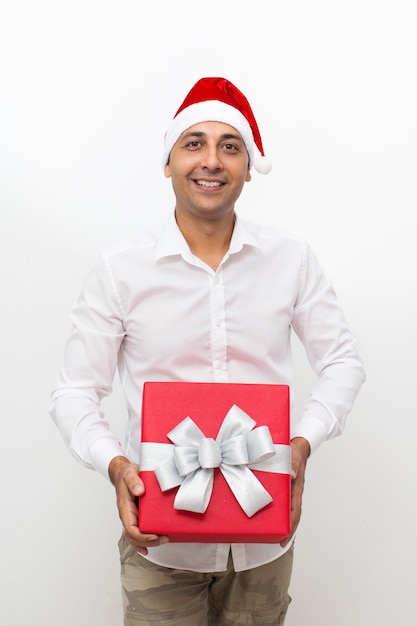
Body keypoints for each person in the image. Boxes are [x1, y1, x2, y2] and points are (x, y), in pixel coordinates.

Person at [50, 76, 365, 625]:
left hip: (265, 540)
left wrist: (302, 444)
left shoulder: (291, 260)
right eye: (193, 143)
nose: (211, 161)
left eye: (230, 145)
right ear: (168, 161)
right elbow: (74, 391)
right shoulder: (120, 270)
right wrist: (115, 464)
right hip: (161, 542)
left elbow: (343, 362)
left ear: (248, 165)